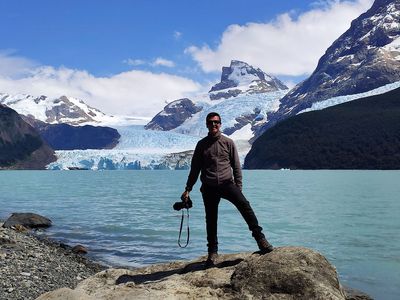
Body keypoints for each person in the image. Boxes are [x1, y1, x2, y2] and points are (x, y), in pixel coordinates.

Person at [181, 112, 273, 266]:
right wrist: (188, 189)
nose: (213, 125)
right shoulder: (201, 145)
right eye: (210, 122)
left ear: (220, 124)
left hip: (227, 184)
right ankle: (212, 253)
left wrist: (239, 186)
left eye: (216, 122)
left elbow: (236, 166)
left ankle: (260, 239)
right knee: (211, 220)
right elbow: (195, 169)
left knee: (245, 206)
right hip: (209, 187)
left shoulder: (228, 142)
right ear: (207, 125)